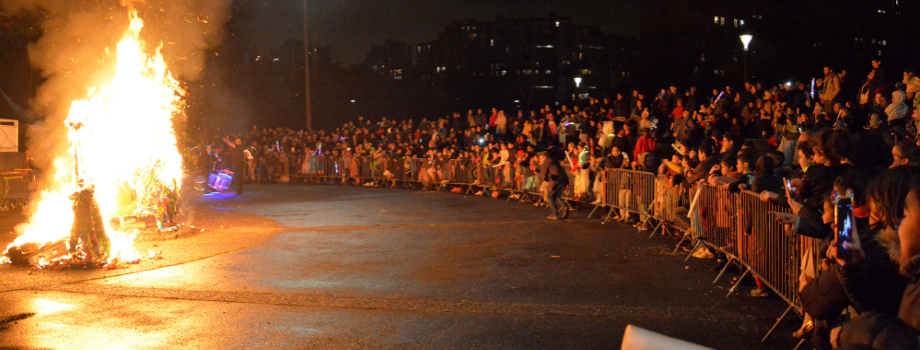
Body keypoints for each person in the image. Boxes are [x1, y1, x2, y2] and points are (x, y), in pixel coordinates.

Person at [536, 152, 569, 220]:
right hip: (564, 179)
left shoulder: (546, 162)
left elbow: (543, 175)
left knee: (550, 196)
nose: (539, 160)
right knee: (556, 195)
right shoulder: (553, 161)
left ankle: (554, 214)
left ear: (544, 157)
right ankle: (564, 207)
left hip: (556, 181)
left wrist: (548, 180)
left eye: (540, 158)